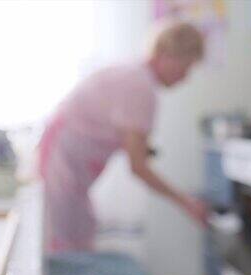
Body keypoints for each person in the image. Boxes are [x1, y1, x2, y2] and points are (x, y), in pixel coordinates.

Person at [39, 21, 208, 252]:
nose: (185, 77)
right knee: (68, 244)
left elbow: (123, 136)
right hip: (63, 164)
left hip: (62, 159)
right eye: (185, 67)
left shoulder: (134, 73)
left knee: (76, 234)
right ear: (167, 54)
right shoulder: (140, 86)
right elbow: (137, 166)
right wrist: (186, 202)